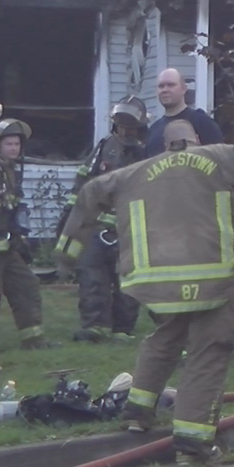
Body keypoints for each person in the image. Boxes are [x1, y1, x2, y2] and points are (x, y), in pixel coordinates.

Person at [57, 130, 234, 464]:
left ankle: (137, 412)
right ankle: (193, 441)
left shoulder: (135, 171)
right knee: (208, 352)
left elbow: (90, 191)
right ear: (196, 140)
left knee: (166, 337)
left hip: (159, 282)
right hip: (214, 277)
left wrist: (67, 252)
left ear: (165, 145)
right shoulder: (225, 156)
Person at [69, 97, 149, 343]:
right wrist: (73, 215)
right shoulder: (105, 146)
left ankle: (123, 329)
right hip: (98, 224)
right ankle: (95, 327)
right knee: (92, 277)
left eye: (130, 126)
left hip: (131, 226)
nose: (125, 131)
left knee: (127, 281)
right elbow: (85, 180)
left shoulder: (147, 150)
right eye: (121, 125)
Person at [0, 118, 48, 349]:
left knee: (26, 287)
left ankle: (33, 339)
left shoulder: (10, 171)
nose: (14, 148)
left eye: (16, 144)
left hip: (8, 246)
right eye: (9, 144)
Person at [140, 68, 224, 157]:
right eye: (161, 86)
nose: (165, 90)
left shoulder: (203, 123)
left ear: (184, 89)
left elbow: (220, 159)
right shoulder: (153, 129)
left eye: (171, 85)